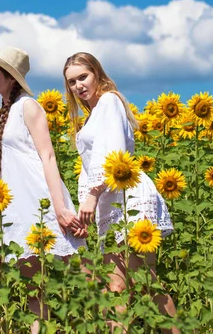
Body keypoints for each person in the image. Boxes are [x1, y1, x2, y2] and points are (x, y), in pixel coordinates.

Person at [0, 46, 87, 330]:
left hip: (40, 201)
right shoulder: (2, 116)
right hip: (17, 208)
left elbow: (47, 156)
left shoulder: (27, 106)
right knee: (34, 286)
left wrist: (59, 207)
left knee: (83, 277)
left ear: (11, 78)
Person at [63, 51, 178, 332]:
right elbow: (89, 167)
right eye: (71, 82)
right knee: (116, 286)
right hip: (110, 201)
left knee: (141, 281)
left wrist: (92, 195)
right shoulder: (93, 114)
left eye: (83, 77)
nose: (78, 86)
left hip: (128, 198)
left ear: (97, 74)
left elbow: (114, 157)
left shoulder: (109, 102)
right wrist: (86, 203)